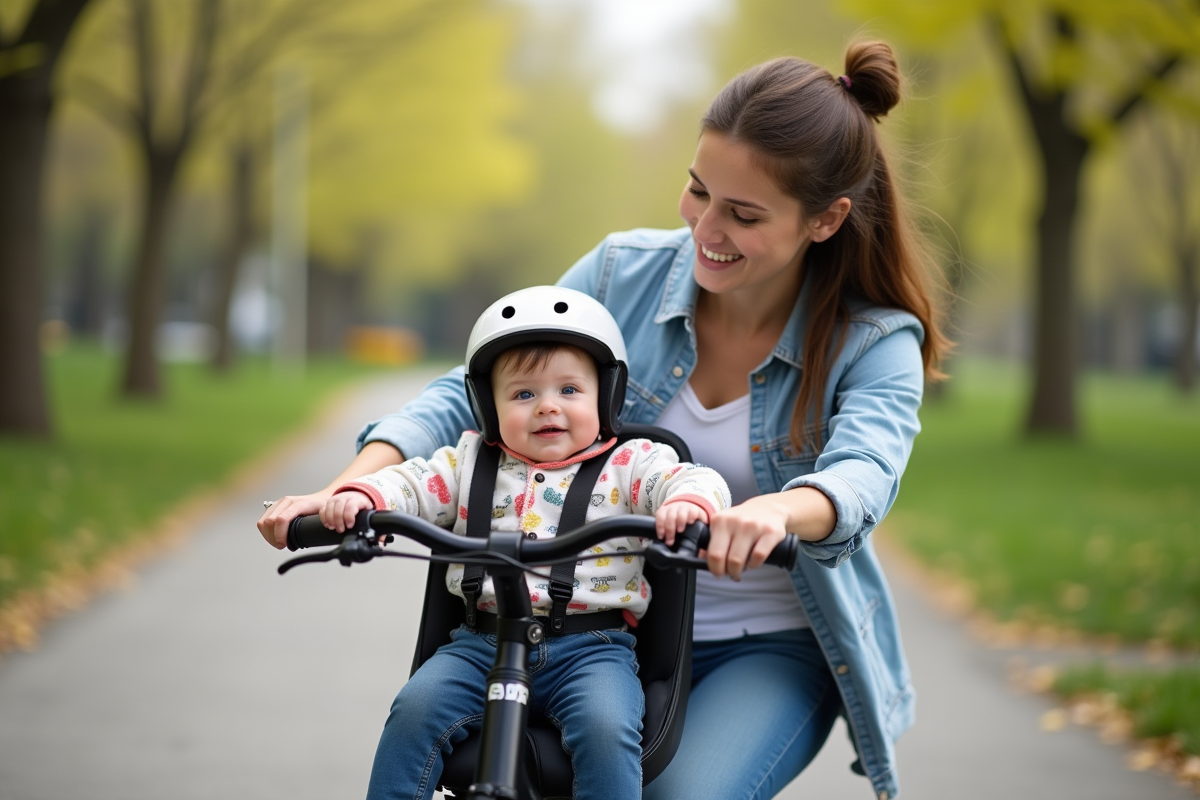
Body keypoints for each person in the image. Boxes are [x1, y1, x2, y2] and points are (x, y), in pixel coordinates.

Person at [260, 39, 949, 800]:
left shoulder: (874, 340)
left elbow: (864, 472)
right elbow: (474, 389)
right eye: (698, 192)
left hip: (767, 646)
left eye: (743, 214)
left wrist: (778, 511)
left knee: (679, 796)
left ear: (825, 220)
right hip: (595, 624)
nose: (705, 231)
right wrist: (350, 489)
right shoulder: (621, 273)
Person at [321, 285, 731, 800]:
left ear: (605, 395)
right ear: (487, 407)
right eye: (523, 394)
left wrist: (688, 503)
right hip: (479, 645)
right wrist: (362, 495)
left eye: (569, 390)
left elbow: (694, 479)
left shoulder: (633, 464)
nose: (546, 408)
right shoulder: (468, 462)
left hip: (591, 649)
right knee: (414, 712)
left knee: (607, 731)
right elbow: (410, 484)